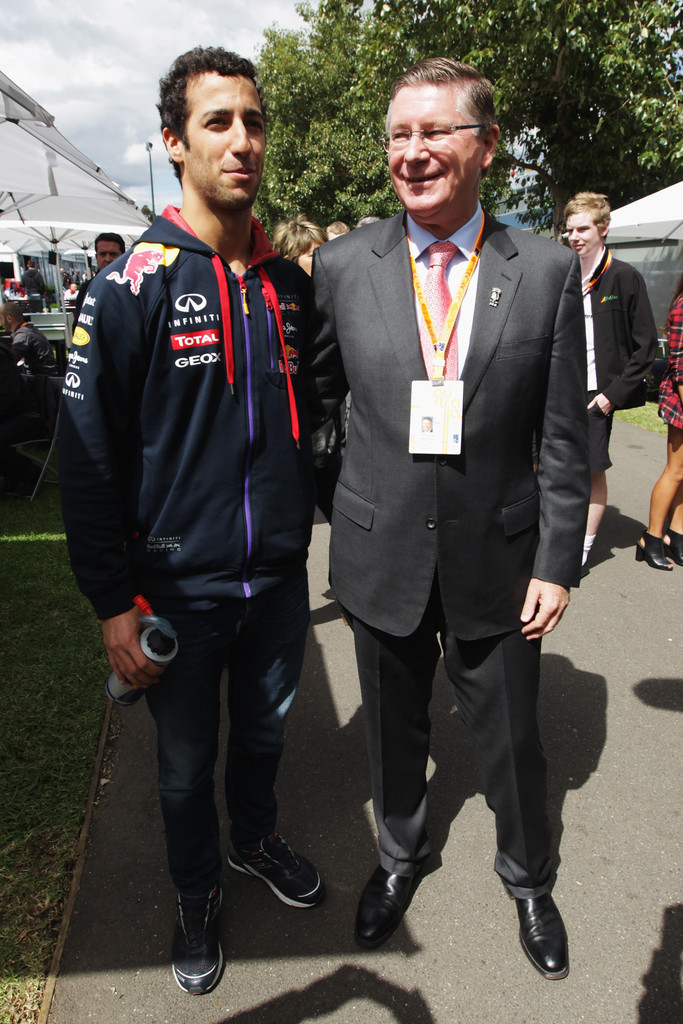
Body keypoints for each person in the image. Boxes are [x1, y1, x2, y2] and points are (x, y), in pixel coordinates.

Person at [306, 57, 589, 980]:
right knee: (393, 738)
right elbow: (318, 403)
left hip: (499, 561)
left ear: (486, 145)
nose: (412, 152)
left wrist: (556, 561)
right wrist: (337, 511)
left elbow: (559, 439)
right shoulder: (346, 265)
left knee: (511, 740)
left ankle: (528, 876)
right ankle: (397, 858)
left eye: (434, 132)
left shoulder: (545, 270)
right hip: (378, 553)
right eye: (398, 134)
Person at [59, 46, 323, 997]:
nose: (241, 141)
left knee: (263, 741)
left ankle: (253, 843)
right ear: (173, 142)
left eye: (252, 121)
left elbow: (317, 422)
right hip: (175, 590)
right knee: (181, 771)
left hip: (278, 584)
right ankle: (194, 894)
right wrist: (113, 603)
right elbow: (85, 467)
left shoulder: (290, 287)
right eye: (217, 122)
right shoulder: (131, 285)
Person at [564, 192, 658, 575]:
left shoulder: (625, 277)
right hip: (558, 389)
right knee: (546, 467)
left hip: (594, 395)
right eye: (568, 229)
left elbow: (646, 347)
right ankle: (549, 539)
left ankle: (581, 553)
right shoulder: (563, 273)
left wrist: (609, 398)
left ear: (603, 229)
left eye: (582, 228)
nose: (574, 236)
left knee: (590, 471)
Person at [637, 272, 683, 569]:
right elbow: (680, 365)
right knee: (676, 471)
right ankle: (651, 537)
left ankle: (677, 534)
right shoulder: (682, 307)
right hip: (680, 400)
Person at [0, 338, 43, 496]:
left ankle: (30, 473)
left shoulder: (1, 358)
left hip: (25, 417)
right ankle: (12, 475)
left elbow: (8, 398)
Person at [72, 232, 126, 322]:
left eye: (113, 254)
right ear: (96, 257)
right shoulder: (87, 288)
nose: (108, 259)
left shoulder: (135, 288)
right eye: (102, 254)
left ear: (124, 256)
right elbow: (78, 324)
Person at [0, 301, 58, 376]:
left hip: (41, 380)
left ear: (9, 318)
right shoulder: (28, 329)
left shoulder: (23, 334)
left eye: (1, 319)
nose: (0, 322)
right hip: (47, 376)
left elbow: (11, 360)